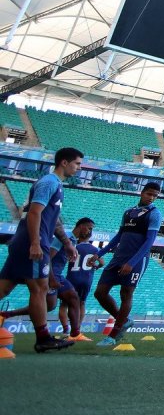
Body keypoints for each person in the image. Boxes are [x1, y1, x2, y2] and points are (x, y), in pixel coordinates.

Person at [0, 147, 82, 352]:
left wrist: (68, 243)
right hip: (33, 242)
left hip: (24, 241)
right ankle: (43, 338)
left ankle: (43, 337)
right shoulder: (49, 182)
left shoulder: (55, 185)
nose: (79, 168)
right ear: (64, 162)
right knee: (39, 289)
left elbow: (53, 222)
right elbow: (35, 213)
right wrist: (36, 243)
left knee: (4, 288)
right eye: (77, 163)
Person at [94, 182, 163, 347]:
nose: (151, 198)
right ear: (142, 193)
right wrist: (99, 253)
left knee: (126, 293)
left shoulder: (155, 214)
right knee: (100, 293)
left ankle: (113, 335)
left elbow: (149, 242)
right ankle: (123, 320)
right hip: (118, 257)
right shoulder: (128, 212)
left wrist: (132, 262)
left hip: (137, 259)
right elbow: (118, 236)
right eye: (149, 194)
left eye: (155, 195)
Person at [61, 217, 102, 341]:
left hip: (71, 278)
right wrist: (96, 266)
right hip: (86, 278)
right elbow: (102, 262)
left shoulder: (73, 247)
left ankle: (65, 330)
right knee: (81, 303)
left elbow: (66, 259)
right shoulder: (95, 249)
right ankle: (77, 329)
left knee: (64, 304)